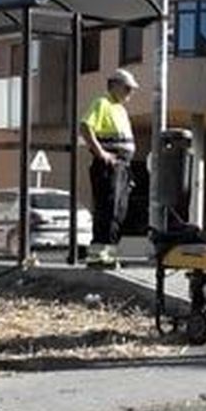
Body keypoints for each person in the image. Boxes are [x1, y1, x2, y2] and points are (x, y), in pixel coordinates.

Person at [79, 68, 138, 267]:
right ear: (113, 85)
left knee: (119, 210)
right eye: (127, 88)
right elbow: (85, 126)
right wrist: (101, 153)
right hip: (108, 166)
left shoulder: (120, 109)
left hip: (122, 166)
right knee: (107, 207)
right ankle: (97, 254)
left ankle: (109, 253)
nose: (130, 93)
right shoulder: (102, 103)